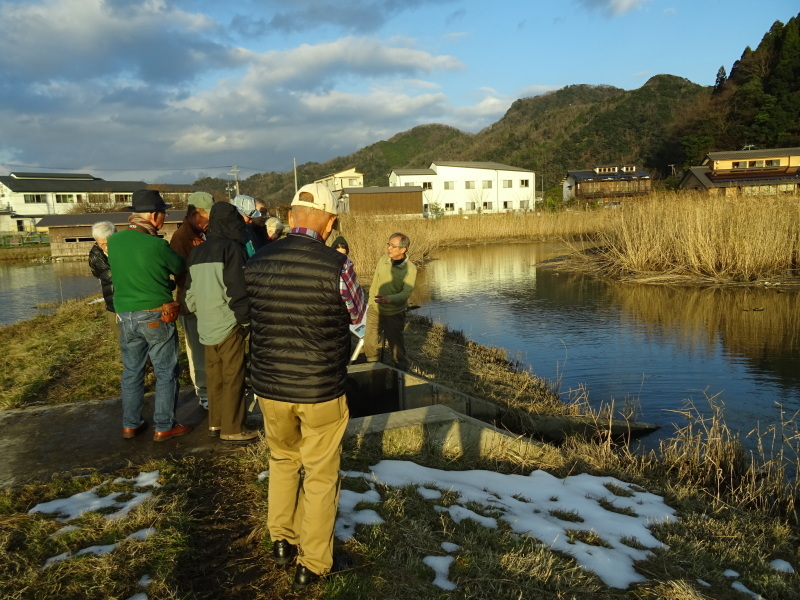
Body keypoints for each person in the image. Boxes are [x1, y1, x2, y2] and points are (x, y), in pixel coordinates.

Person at [244, 182, 366, 591]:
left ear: (292, 215)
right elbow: (358, 317)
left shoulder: (258, 259)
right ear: (330, 221)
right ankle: (312, 563)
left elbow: (249, 312)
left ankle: (282, 539)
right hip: (319, 389)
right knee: (319, 474)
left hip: (269, 386)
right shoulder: (338, 265)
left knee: (282, 459)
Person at [107, 189, 191, 442]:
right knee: (166, 372)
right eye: (163, 214)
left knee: (132, 371)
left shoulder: (114, 241)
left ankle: (130, 425)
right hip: (155, 315)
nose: (163, 218)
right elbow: (179, 267)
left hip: (125, 316)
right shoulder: (157, 244)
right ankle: (164, 426)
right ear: (155, 216)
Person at [185, 202, 258, 444]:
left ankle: (215, 423)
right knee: (234, 376)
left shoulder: (197, 251)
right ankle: (234, 428)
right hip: (229, 323)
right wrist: (245, 320)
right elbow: (236, 288)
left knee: (214, 376)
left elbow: (190, 293)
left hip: (205, 324)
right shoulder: (232, 249)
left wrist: (200, 312)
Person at [170, 191, 215, 410]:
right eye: (207, 217)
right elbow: (181, 274)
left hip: (209, 303)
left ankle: (213, 388)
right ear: (195, 214)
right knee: (197, 351)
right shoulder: (181, 237)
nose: (209, 222)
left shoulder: (207, 233)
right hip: (190, 304)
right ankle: (204, 393)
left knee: (210, 349)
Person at [363, 233, 416, 371]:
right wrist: (371, 301)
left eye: (393, 246)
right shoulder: (383, 260)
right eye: (389, 245)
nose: (389, 249)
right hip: (375, 309)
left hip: (394, 313)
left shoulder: (410, 269)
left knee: (396, 347)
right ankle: (372, 369)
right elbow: (375, 281)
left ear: (403, 250)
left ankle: (401, 375)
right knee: (369, 342)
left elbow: (405, 294)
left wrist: (389, 299)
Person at [88, 220, 118, 332]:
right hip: (112, 303)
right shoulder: (95, 256)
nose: (105, 247)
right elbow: (97, 274)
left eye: (107, 243)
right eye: (101, 244)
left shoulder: (124, 250)